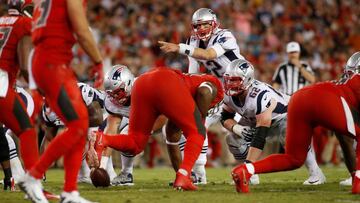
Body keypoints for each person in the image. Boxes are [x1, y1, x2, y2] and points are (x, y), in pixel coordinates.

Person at [18, 0, 104, 202]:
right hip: (52, 62)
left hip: (47, 60)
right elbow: (82, 31)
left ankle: (70, 191)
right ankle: (33, 176)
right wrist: (99, 62)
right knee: (77, 125)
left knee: (81, 123)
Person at [231, 71, 360, 194]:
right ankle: (358, 182)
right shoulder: (355, 81)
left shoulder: (347, 81)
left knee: (294, 159)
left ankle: (246, 170)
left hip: (297, 98)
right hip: (326, 99)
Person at [94, 67, 222, 190]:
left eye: (118, 92)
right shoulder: (213, 86)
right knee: (197, 132)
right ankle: (184, 176)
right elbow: (204, 93)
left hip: (143, 83)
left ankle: (103, 139)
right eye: (113, 93)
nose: (115, 97)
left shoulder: (207, 87)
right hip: (165, 81)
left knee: (136, 142)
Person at [159, 7, 244, 183]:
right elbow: (194, 73)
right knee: (192, 123)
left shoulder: (225, 36)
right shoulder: (193, 41)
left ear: (214, 24)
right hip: (219, 89)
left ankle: (251, 171)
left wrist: (179, 48)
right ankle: (198, 174)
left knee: (239, 135)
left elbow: (208, 55)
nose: (202, 29)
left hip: (240, 88)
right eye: (198, 26)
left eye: (205, 24)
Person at [221, 59, 325, 185]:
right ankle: (252, 177)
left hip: (286, 116)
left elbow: (260, 137)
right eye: (228, 79)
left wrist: (248, 166)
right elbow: (225, 116)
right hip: (257, 120)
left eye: (235, 80)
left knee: (288, 137)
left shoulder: (259, 95)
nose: (230, 84)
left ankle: (316, 173)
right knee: (232, 139)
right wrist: (238, 129)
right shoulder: (229, 95)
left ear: (247, 79)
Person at [0, 0, 39, 192]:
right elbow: (24, 65)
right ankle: (33, 187)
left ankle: (12, 178)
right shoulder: (23, 23)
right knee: (27, 131)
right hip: (1, 82)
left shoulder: (1, 20)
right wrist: (39, 85)